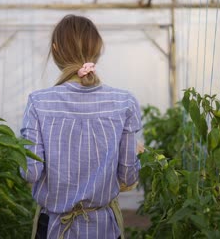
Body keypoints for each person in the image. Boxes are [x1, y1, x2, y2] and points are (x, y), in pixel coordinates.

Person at [20, 14, 142, 239]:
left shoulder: (39, 102)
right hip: (103, 226)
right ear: (97, 50)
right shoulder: (124, 102)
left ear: (55, 49)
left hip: (54, 227)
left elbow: (30, 172)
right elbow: (128, 176)